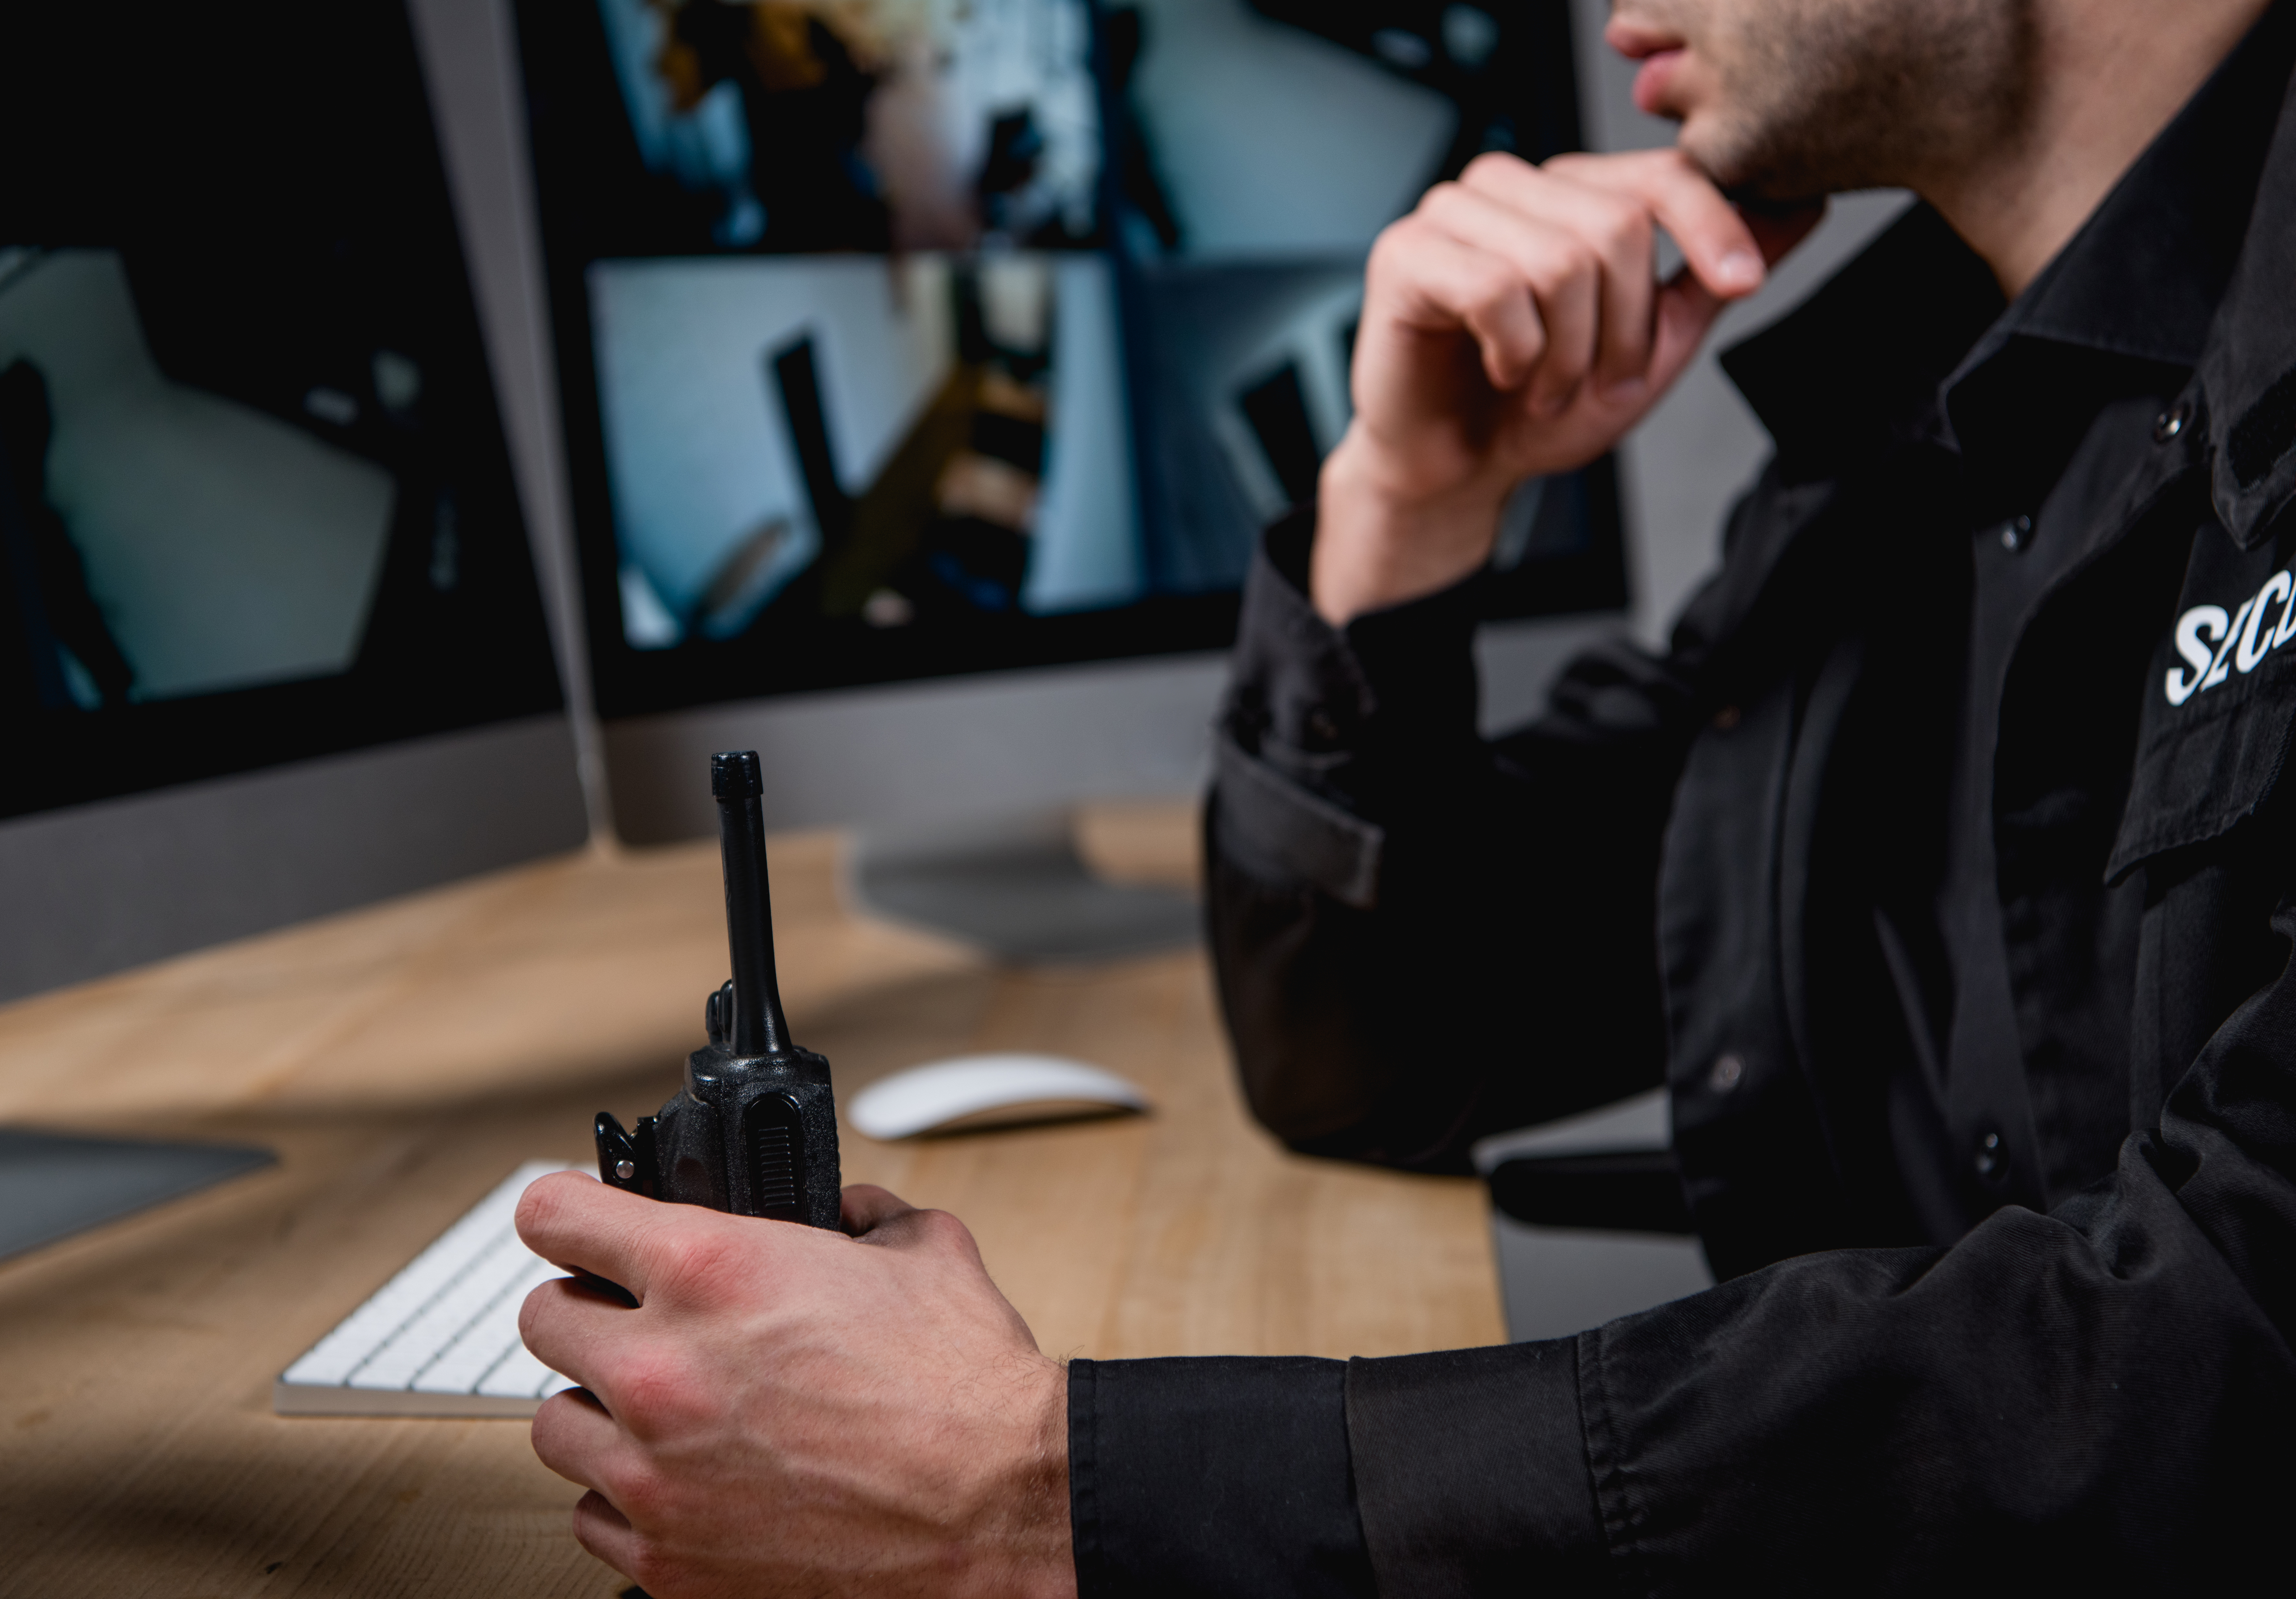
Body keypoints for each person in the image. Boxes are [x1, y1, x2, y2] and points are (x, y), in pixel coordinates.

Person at [513, 0, 2296, 1590]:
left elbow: (2230, 1352)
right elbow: (1380, 1048)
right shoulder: (1908, 438)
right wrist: (1408, 501)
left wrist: (1048, 1490)